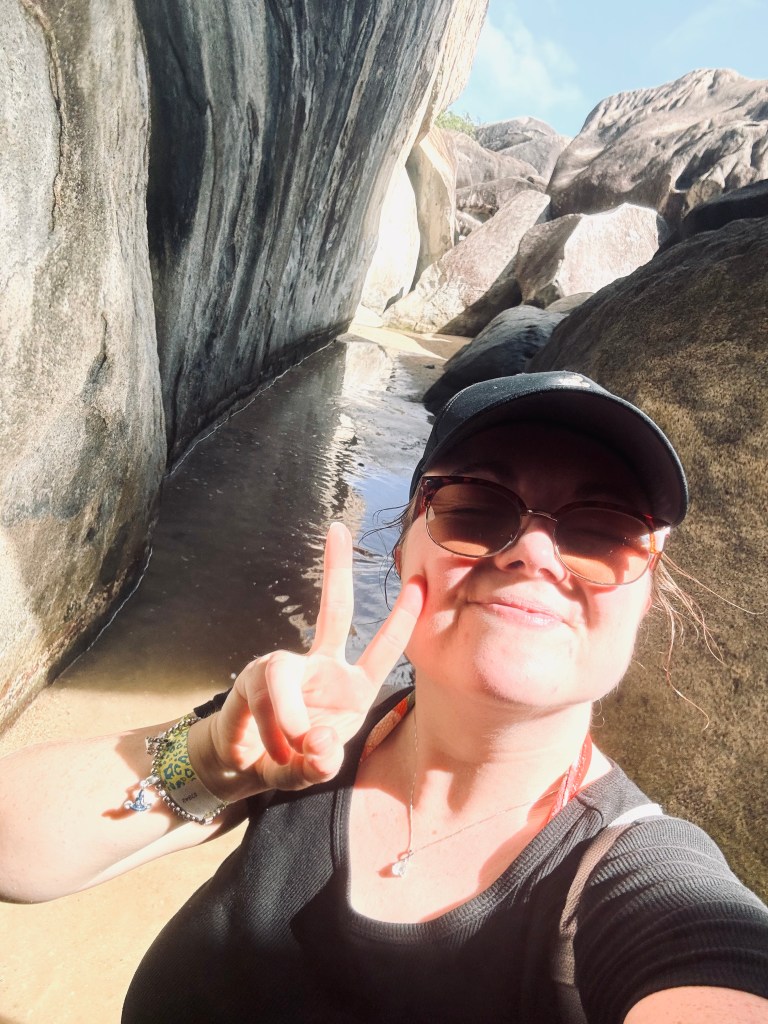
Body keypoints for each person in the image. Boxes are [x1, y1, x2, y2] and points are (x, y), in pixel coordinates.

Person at [1, 370, 767, 1024]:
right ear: (404, 550)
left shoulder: (639, 877)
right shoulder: (312, 726)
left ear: (647, 597)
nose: (535, 552)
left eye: (601, 532)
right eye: (476, 507)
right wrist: (212, 761)